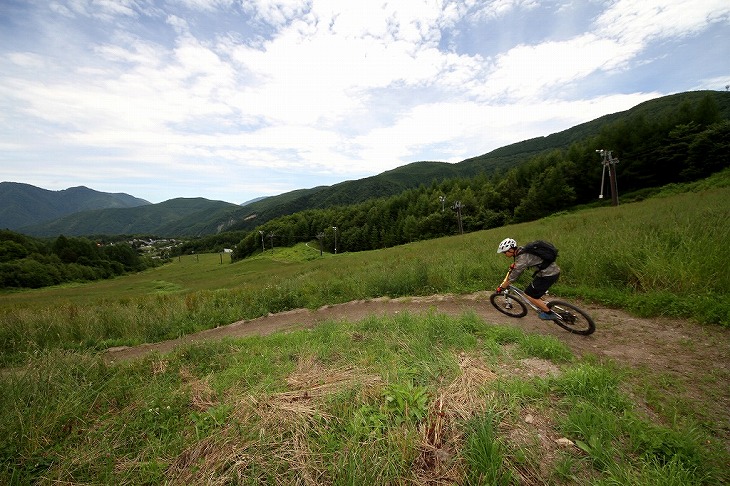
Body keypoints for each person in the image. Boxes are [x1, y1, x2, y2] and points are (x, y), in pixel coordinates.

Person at [496, 237, 560, 320]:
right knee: (533, 290)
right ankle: (540, 301)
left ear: (511, 250)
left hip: (548, 275)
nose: (505, 254)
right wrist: (515, 265)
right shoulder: (522, 250)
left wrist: (502, 287)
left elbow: (513, 277)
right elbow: (523, 261)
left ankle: (548, 313)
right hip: (549, 271)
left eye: (505, 252)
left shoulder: (522, 258)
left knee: (528, 295)